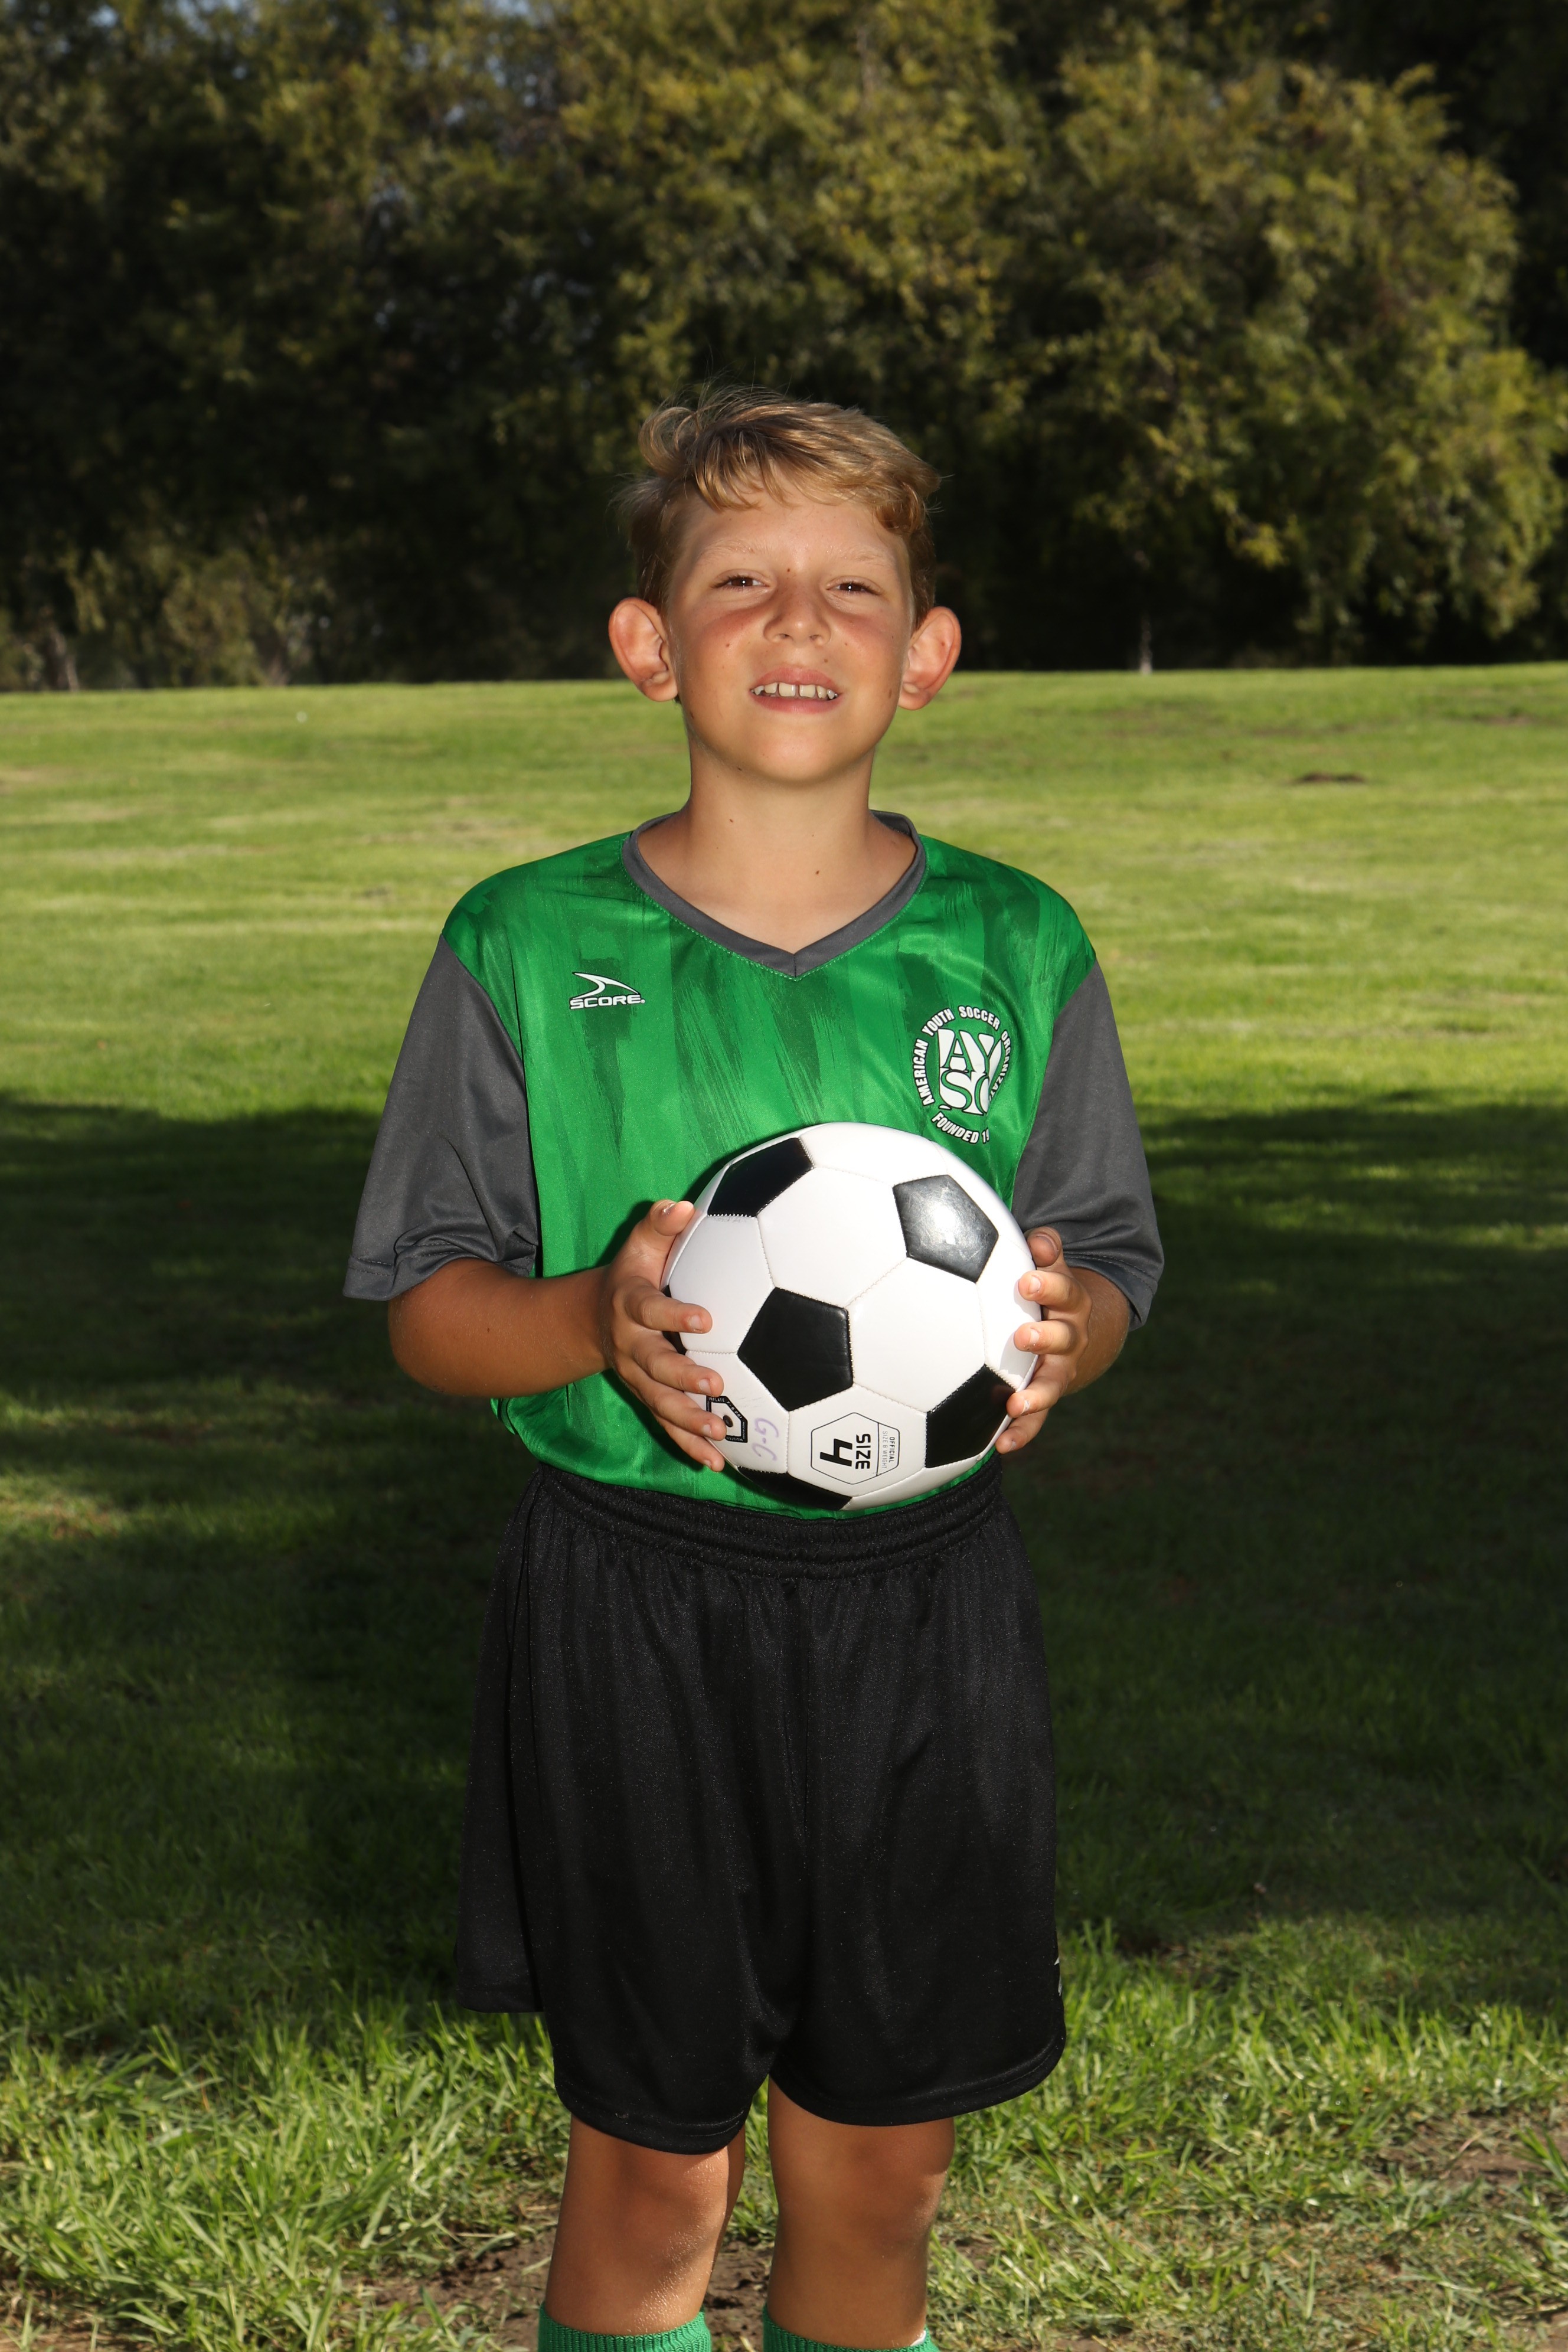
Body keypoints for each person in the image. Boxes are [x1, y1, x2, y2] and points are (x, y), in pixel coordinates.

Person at [344, 388, 1162, 2352]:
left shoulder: (1014, 944)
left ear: (928, 654)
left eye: (852, 588)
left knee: (882, 2164)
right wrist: (587, 1323)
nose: (799, 622)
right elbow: (427, 1306)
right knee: (656, 2166)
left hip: (926, 1611)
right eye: (740, 584)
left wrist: (1074, 1336)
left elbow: (1110, 1255)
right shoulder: (524, 943)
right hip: (632, 1604)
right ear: (649, 646)